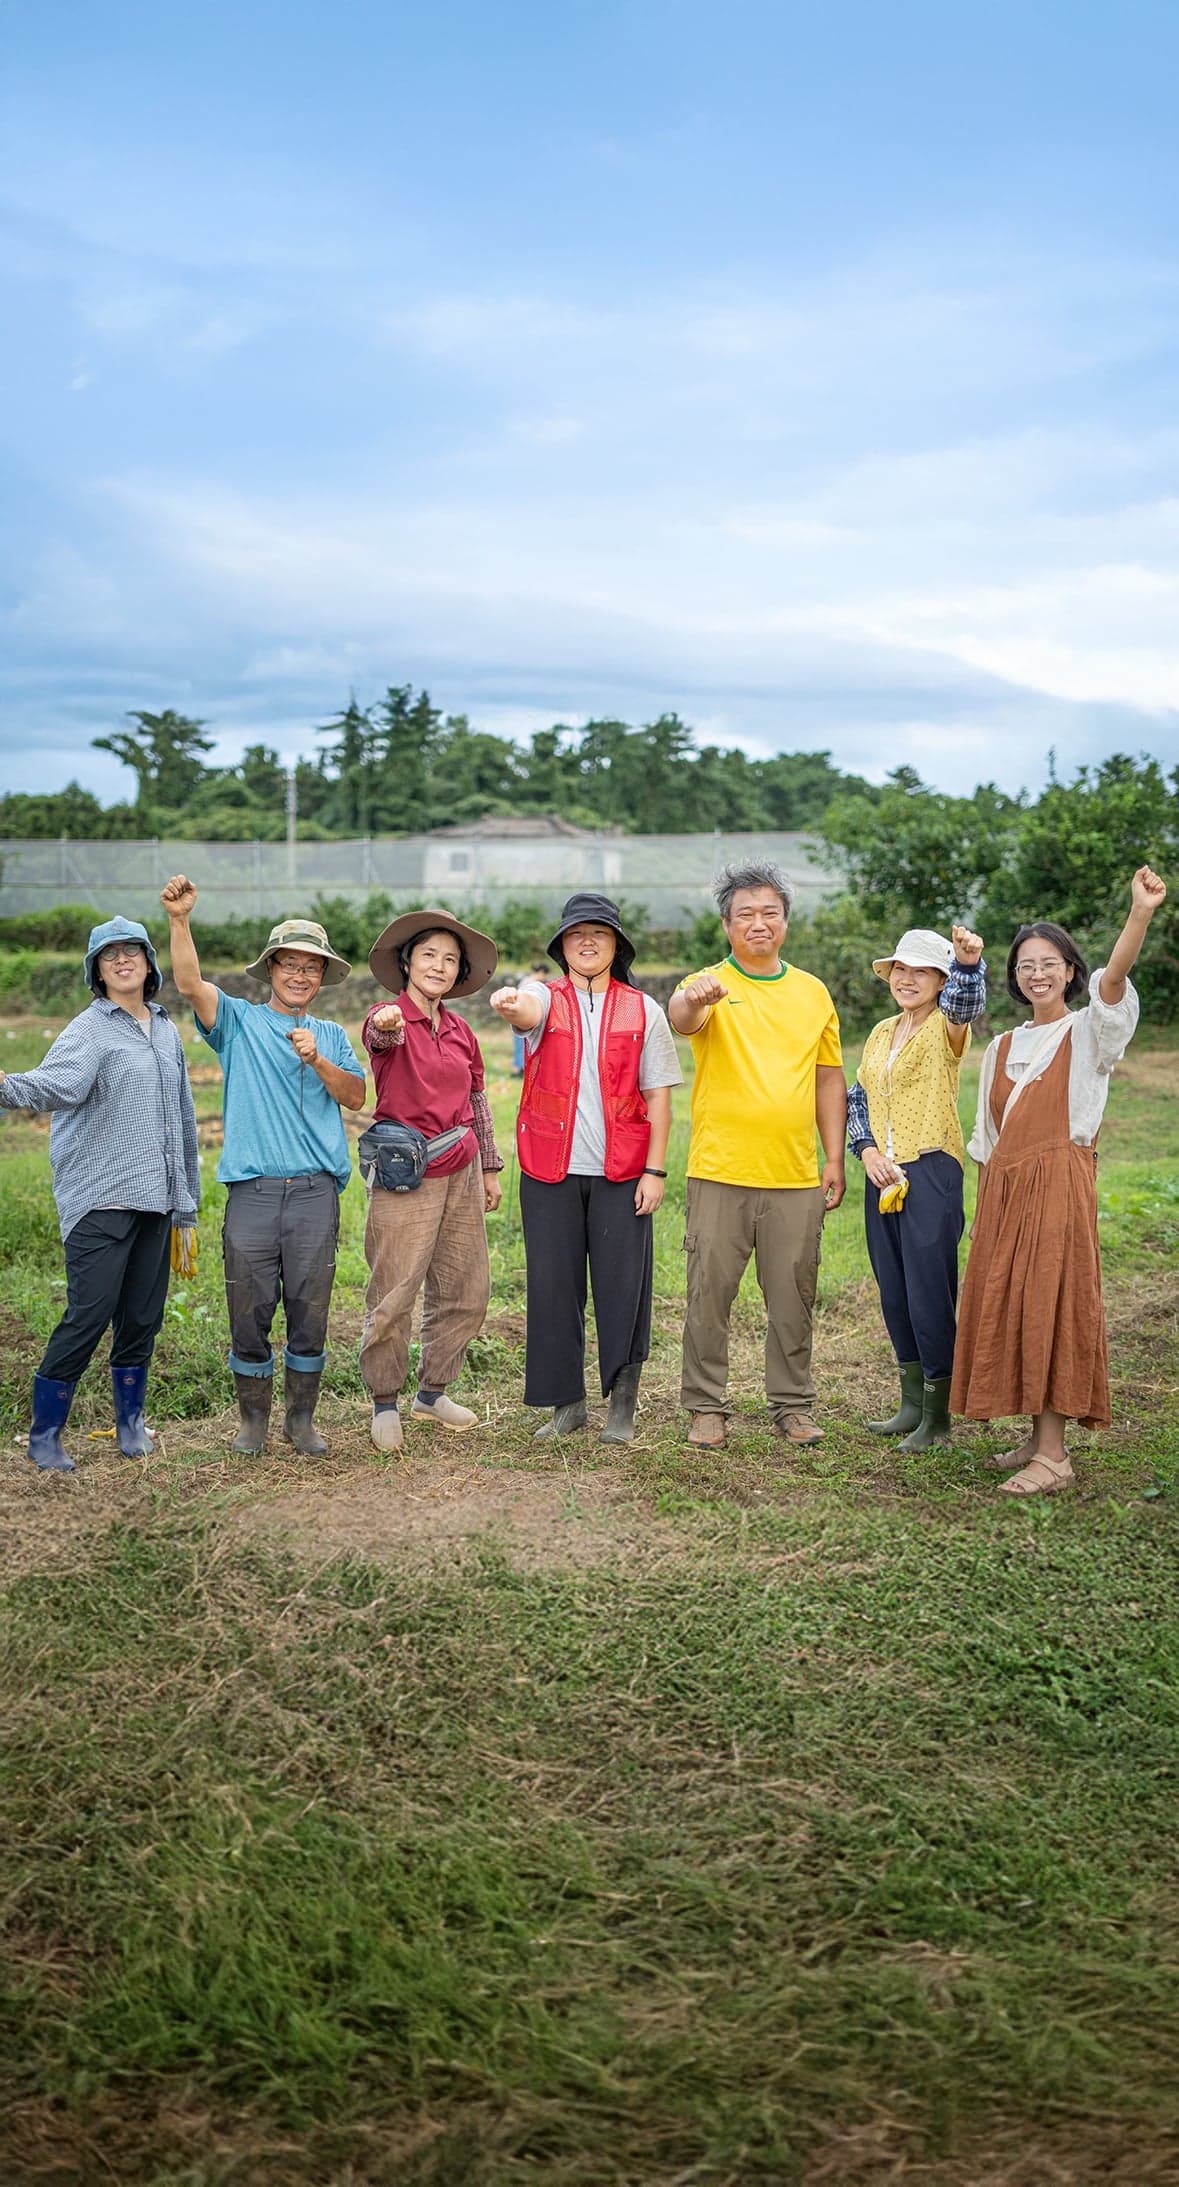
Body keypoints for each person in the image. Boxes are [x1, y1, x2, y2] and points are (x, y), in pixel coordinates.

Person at [951, 866, 1167, 1495]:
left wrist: (1139, 914)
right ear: (1014, 978)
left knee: (1050, 1301)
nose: (1036, 974)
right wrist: (989, 1205)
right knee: (1013, 1302)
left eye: (1049, 963)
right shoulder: (1000, 1047)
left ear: (1071, 970)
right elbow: (988, 1142)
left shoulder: (1090, 1031)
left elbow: (1117, 979)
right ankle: (1034, 1438)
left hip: (1059, 1182)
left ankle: (1056, 1455)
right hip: (1005, 1187)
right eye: (1024, 966)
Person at [160, 876, 365, 1456]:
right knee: (247, 1308)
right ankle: (252, 1420)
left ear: (322, 977)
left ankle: (301, 1419)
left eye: (311, 967)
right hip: (252, 1192)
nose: (300, 976)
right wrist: (180, 920)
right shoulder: (239, 1024)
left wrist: (319, 1059)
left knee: (311, 1308)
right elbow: (189, 983)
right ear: (270, 969)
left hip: (314, 1193)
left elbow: (354, 1097)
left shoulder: (329, 1033)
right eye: (289, 964)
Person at [0, 916, 200, 1473]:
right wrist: (4, 1085)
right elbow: (55, 1085)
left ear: (148, 962)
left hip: (157, 1199)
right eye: (108, 955)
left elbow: (182, 1118)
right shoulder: (88, 1029)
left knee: (142, 1317)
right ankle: (45, 1431)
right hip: (102, 1197)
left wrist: (186, 1202)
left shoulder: (165, 1028)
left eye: (131, 951)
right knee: (88, 1314)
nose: (121, 961)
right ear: (97, 969)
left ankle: (130, 1422)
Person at [490, 893, 681, 1442]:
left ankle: (623, 1401)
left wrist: (656, 1170)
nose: (588, 942)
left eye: (599, 933)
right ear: (562, 947)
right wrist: (510, 1001)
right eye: (577, 935)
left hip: (624, 1172)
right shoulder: (544, 999)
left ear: (616, 944)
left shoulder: (643, 1009)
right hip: (550, 1168)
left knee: (625, 1286)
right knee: (554, 1287)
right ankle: (566, 1405)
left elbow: (660, 1097)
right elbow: (526, 1008)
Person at [668, 860, 845, 1450]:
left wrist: (834, 1158)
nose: (759, 923)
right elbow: (681, 1019)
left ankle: (792, 1403)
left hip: (794, 1173)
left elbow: (827, 1080)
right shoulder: (705, 983)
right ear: (727, 924)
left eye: (770, 912)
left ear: (786, 922)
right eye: (746, 914)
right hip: (719, 1169)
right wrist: (696, 999)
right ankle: (705, 1405)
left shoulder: (813, 992)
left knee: (794, 1296)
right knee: (709, 1293)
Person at [360, 909, 505, 1452]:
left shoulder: (462, 1030)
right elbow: (379, 1035)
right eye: (429, 956)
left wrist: (489, 1166)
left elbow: (476, 1101)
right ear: (406, 963)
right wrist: (387, 1028)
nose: (439, 966)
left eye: (450, 960)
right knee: (395, 1289)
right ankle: (385, 1401)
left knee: (466, 1288)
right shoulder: (389, 1017)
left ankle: (432, 1393)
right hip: (406, 1172)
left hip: (463, 1167)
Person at [847, 925, 986, 1451]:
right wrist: (867, 1153)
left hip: (930, 1171)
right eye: (900, 969)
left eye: (920, 971)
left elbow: (965, 1002)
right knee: (895, 1290)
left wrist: (969, 964)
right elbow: (858, 1097)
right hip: (882, 1174)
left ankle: (938, 1418)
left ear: (939, 979)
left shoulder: (947, 1029)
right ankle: (910, 1404)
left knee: (930, 1293)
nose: (907, 979)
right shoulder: (882, 1032)